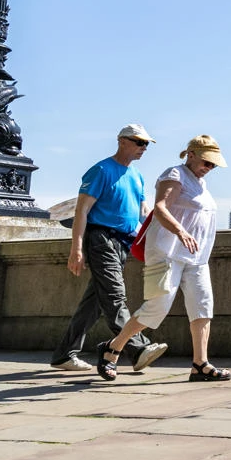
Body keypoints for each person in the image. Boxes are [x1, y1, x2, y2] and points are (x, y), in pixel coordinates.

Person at [96, 135, 231, 383]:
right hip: (166, 253)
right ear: (190, 155)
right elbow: (160, 207)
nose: (208, 169)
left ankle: (200, 364)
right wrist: (180, 231)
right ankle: (113, 348)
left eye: (212, 165)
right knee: (157, 308)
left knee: (202, 307)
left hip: (196, 257)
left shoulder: (201, 184)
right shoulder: (175, 174)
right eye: (206, 162)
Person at [50, 124, 168, 373]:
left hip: (123, 242)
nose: (143, 148)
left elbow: (142, 214)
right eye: (139, 142)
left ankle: (64, 354)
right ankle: (136, 347)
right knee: (115, 295)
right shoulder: (100, 170)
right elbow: (82, 211)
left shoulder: (136, 176)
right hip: (101, 239)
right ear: (121, 141)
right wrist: (77, 249)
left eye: (146, 144)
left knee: (94, 302)